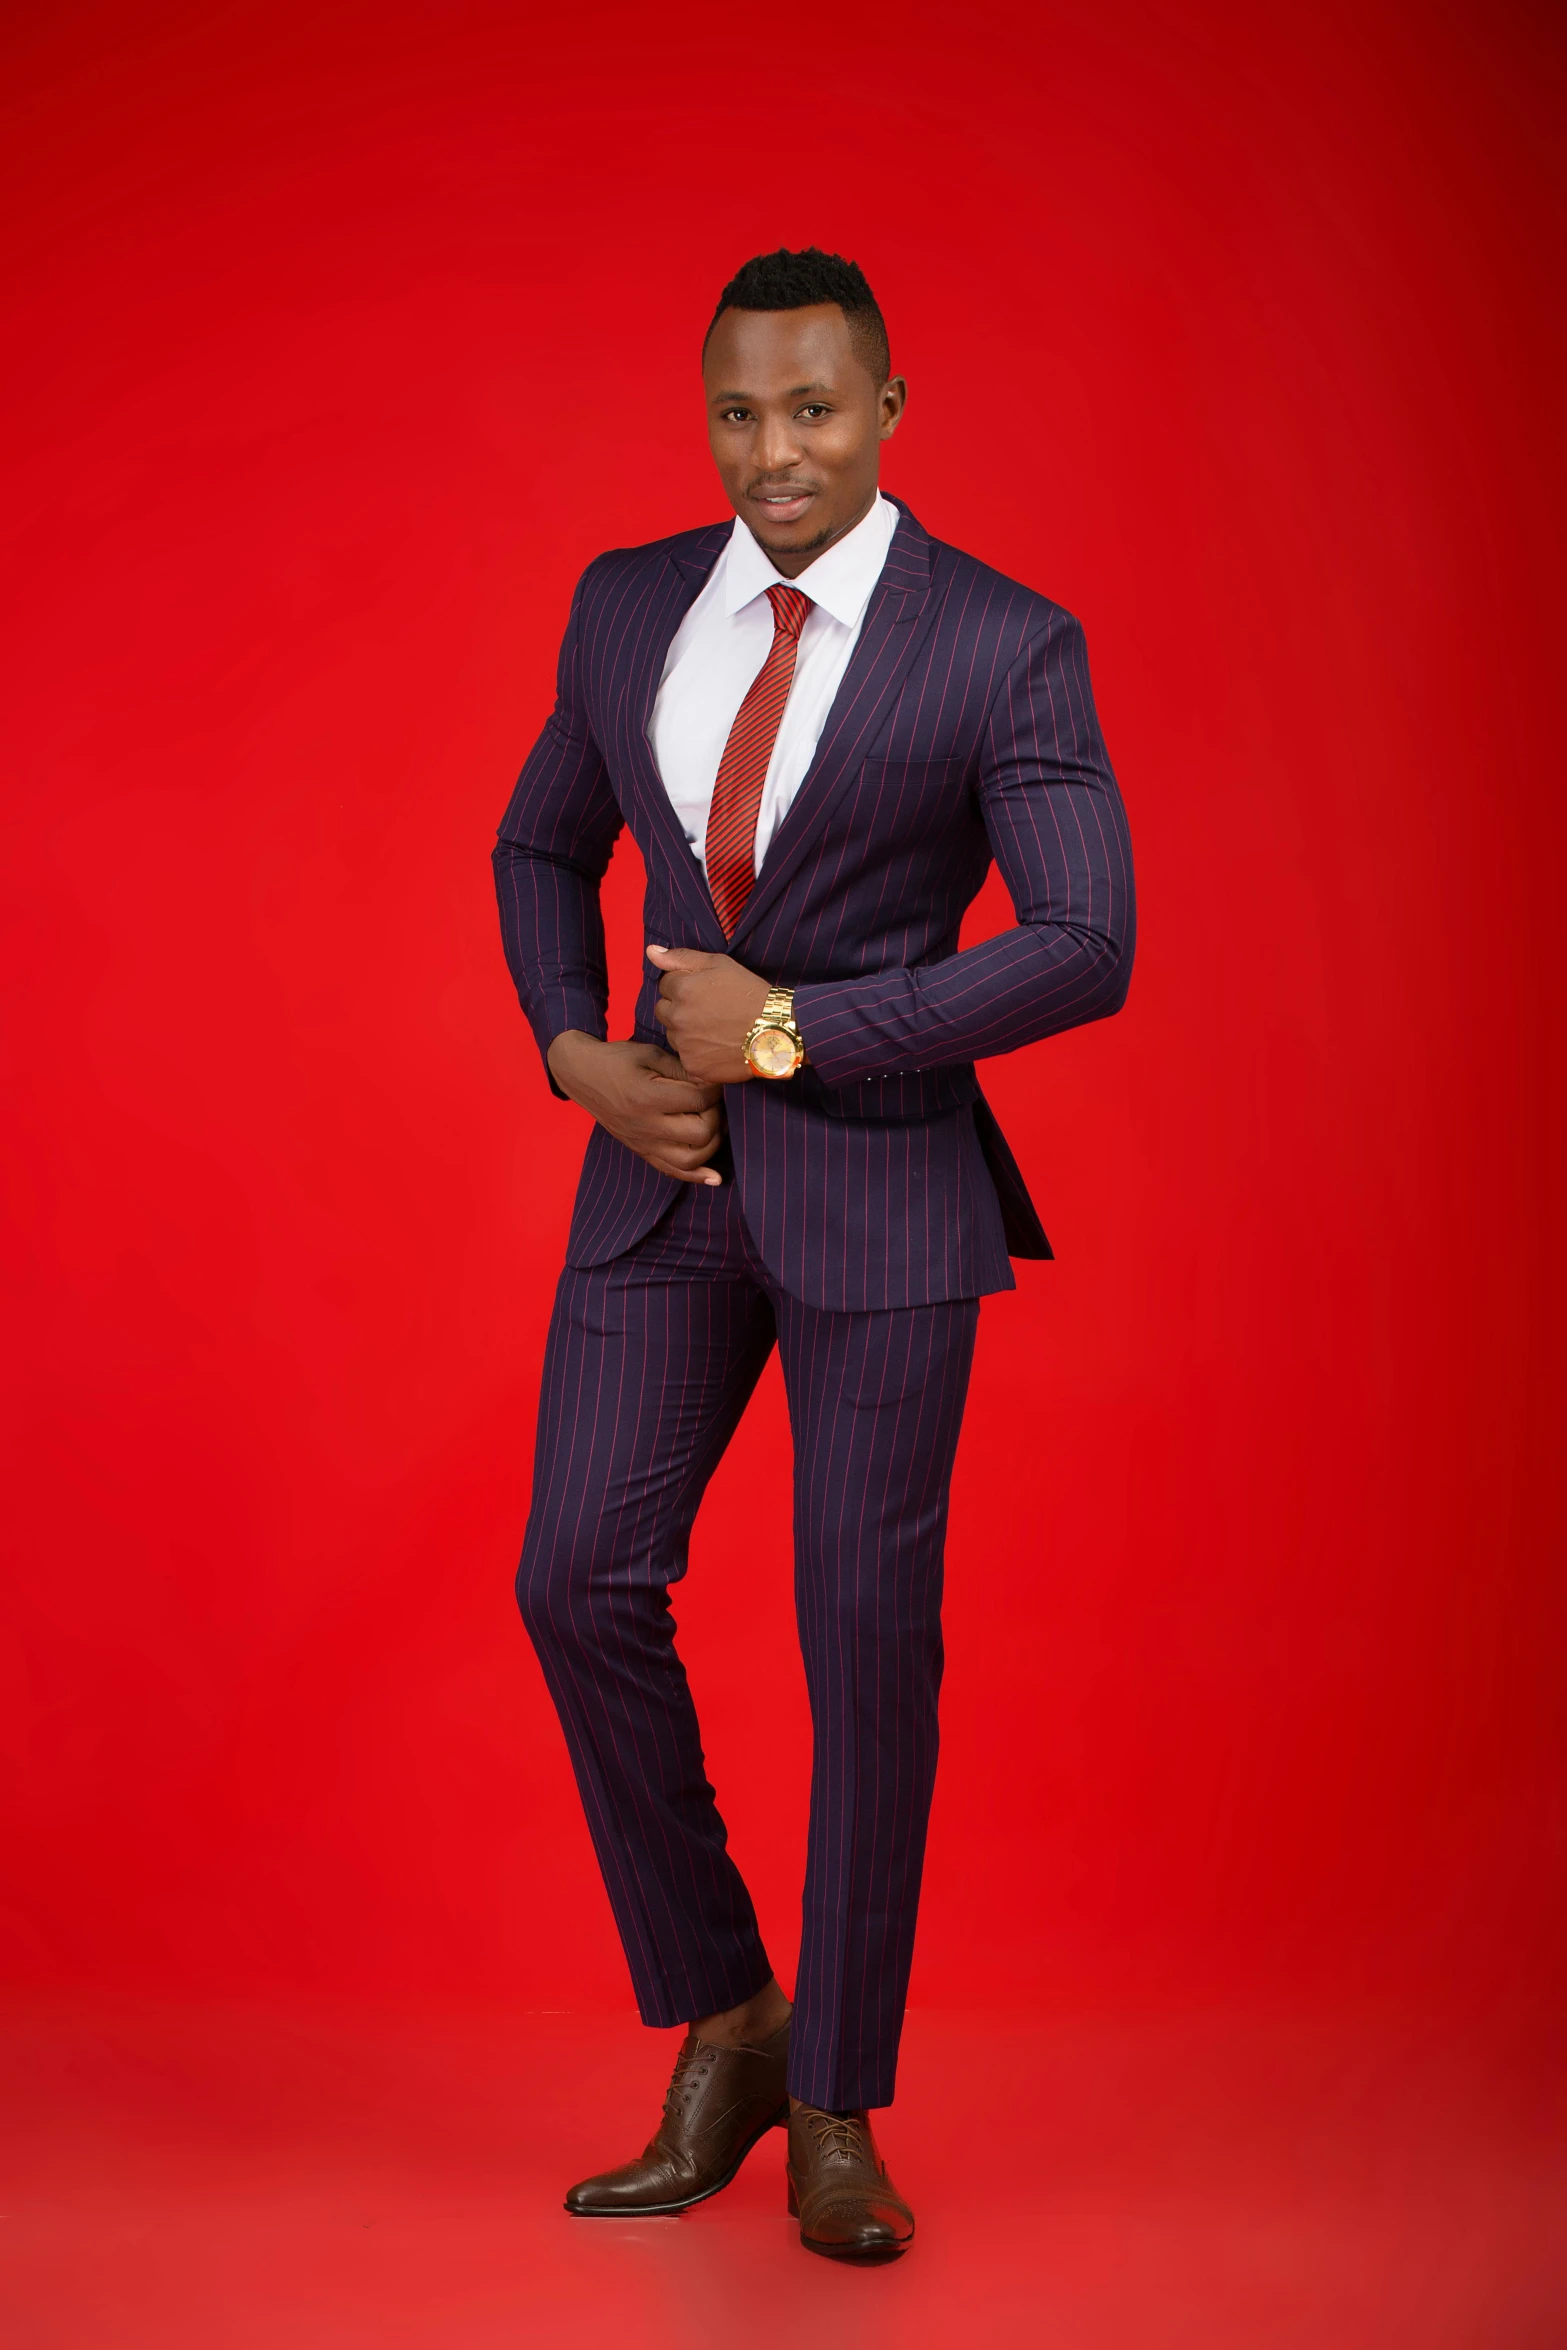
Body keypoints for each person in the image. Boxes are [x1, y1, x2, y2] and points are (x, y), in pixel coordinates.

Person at [492, 247, 1135, 2261]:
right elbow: (534, 843)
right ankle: (734, 2015)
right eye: (740, 414)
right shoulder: (623, 603)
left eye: (815, 410)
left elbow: (1088, 935)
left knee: (866, 1658)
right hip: (659, 1184)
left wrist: (787, 1030)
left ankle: (841, 2096)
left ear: (891, 407)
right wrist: (584, 1056)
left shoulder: (1003, 644)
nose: (774, 451)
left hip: (879, 1193)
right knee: (574, 1570)